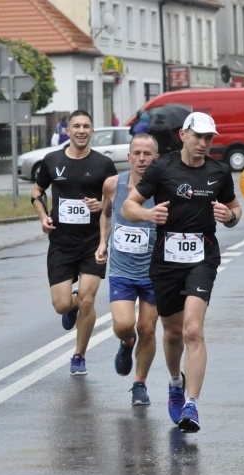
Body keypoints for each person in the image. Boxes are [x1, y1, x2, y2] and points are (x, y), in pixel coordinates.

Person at [121, 112, 242, 434]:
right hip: (166, 260)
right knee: (173, 333)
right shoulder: (163, 168)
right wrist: (148, 214)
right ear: (184, 134)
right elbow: (127, 207)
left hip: (203, 257)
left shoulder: (219, 171)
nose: (204, 143)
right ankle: (176, 381)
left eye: (209, 138)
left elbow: (236, 210)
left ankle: (192, 404)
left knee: (192, 330)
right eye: (198, 136)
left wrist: (229, 216)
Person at [31, 110, 118, 375]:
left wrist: (101, 204)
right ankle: (70, 307)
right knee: (62, 305)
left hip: (92, 242)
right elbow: (37, 192)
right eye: (76, 126)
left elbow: (114, 201)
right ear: (67, 131)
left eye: (86, 126)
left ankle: (79, 355)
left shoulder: (104, 164)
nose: (81, 130)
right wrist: (43, 216)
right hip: (61, 242)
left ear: (92, 132)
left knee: (88, 300)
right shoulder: (52, 160)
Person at [95, 134, 160, 405]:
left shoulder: (163, 186)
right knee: (124, 325)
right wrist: (102, 243)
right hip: (122, 269)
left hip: (154, 272)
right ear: (129, 156)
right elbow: (107, 213)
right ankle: (125, 343)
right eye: (137, 153)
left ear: (155, 158)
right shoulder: (113, 184)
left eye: (148, 154)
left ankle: (140, 384)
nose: (142, 158)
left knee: (147, 328)